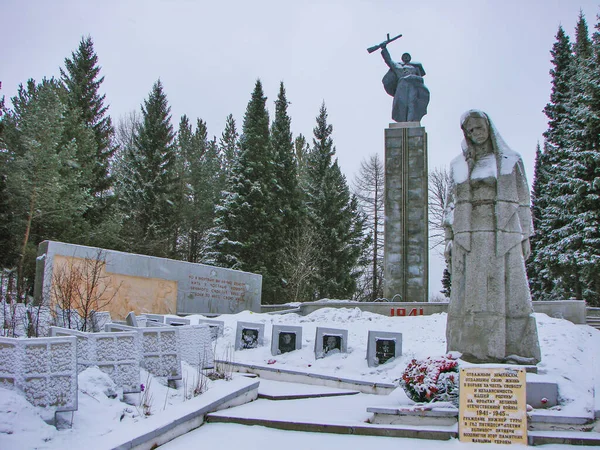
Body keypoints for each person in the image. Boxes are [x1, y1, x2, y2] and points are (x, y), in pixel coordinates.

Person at [443, 110, 541, 364]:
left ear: (489, 126)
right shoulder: (459, 164)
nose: (477, 133)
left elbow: (523, 200)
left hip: (504, 233)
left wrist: (526, 235)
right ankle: (473, 349)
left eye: (479, 127)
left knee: (507, 292)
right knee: (472, 295)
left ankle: (514, 349)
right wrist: (449, 238)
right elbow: (451, 204)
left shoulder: (510, 160)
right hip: (470, 235)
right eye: (471, 130)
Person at [380, 45, 430, 123]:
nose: (406, 58)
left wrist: (411, 77)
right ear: (402, 59)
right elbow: (389, 60)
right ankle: (402, 121)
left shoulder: (415, 68)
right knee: (401, 104)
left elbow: (420, 79)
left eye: (407, 56)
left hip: (412, 86)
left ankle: (410, 121)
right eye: (404, 56)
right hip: (401, 86)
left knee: (412, 103)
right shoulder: (398, 67)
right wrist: (384, 49)